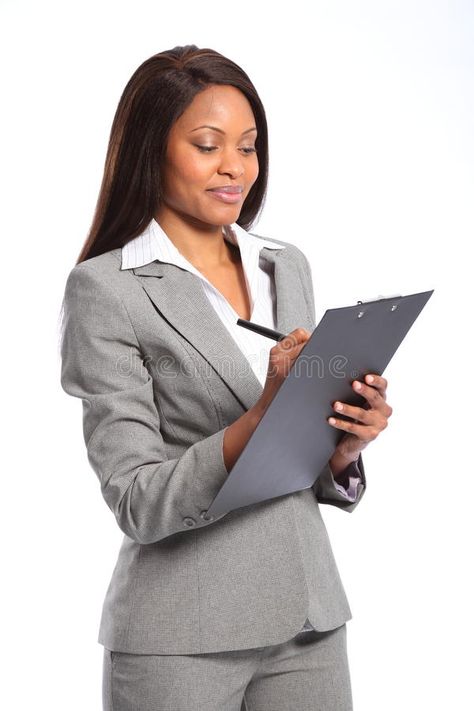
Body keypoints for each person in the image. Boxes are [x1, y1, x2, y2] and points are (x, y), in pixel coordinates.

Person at [59, 44, 392, 711]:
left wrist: (344, 445)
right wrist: (260, 416)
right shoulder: (107, 289)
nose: (234, 167)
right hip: (180, 634)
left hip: (308, 623)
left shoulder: (284, 265)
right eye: (208, 145)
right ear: (152, 149)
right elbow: (136, 497)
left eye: (248, 146)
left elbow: (295, 458)